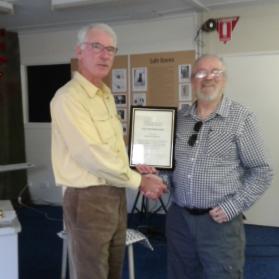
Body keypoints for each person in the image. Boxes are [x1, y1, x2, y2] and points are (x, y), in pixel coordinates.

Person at [137, 54, 273, 279]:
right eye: (200, 73)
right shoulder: (179, 119)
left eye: (215, 72)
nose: (208, 78)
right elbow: (171, 168)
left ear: (225, 79)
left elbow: (262, 171)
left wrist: (233, 206)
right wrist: (157, 179)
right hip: (179, 219)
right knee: (180, 274)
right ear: (191, 81)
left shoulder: (241, 118)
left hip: (220, 223)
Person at [50, 23, 167, 279]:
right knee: (92, 272)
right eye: (97, 47)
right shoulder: (68, 98)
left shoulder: (104, 95)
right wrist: (139, 180)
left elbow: (109, 148)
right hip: (87, 199)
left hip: (114, 193)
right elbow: (89, 155)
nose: (104, 55)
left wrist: (133, 166)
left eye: (111, 49)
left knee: (113, 269)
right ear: (79, 52)